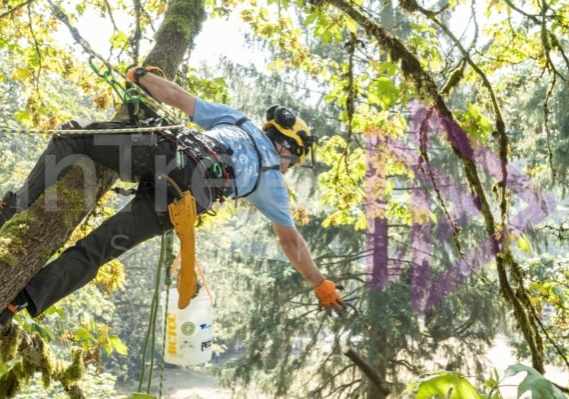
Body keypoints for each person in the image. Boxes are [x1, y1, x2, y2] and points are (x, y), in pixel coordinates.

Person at [0, 66, 345, 326]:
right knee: (98, 249)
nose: (288, 169)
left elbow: (177, 98)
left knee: (72, 137)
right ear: (286, 148)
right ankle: (19, 302)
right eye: (292, 162)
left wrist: (141, 75)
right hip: (183, 203)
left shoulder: (239, 121)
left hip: (170, 154)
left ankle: (10, 212)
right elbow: (293, 245)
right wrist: (320, 284)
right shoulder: (271, 181)